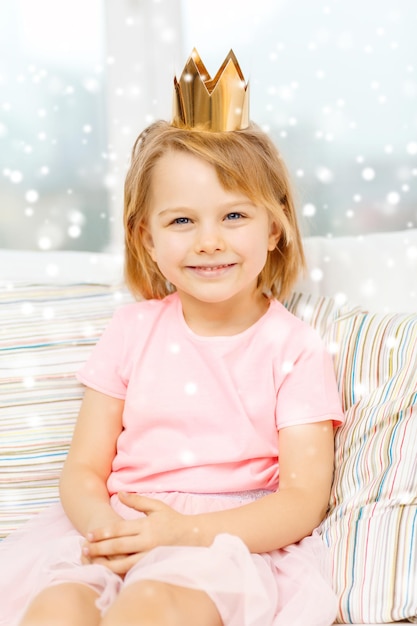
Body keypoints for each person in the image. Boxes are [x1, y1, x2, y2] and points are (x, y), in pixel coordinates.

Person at [0, 51, 344, 626]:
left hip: (221, 545)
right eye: (182, 221)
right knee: (57, 605)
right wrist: (109, 532)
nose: (209, 241)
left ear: (276, 226)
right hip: (118, 526)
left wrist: (182, 532)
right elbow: (83, 468)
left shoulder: (296, 350)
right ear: (147, 238)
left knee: (153, 605)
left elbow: (301, 500)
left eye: (234, 216)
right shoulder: (132, 331)